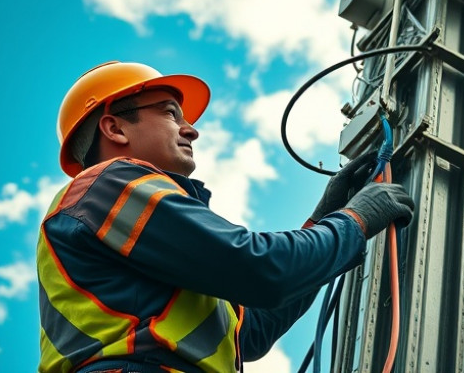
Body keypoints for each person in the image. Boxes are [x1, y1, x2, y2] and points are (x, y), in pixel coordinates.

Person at [38, 61, 415, 373]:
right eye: (170, 113)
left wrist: (324, 219)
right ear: (115, 127)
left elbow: (253, 331)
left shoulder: (153, 242)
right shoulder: (106, 185)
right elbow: (263, 270)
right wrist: (354, 221)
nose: (191, 130)